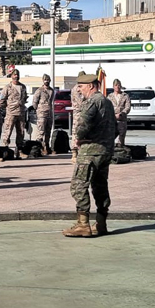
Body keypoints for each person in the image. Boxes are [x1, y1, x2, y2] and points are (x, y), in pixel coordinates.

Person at [63, 72, 117, 238]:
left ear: (91, 86)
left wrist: (79, 138)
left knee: (78, 185)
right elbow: (115, 128)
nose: (79, 90)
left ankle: (83, 224)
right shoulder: (107, 102)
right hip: (105, 150)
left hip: (90, 151)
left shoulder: (92, 102)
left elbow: (82, 125)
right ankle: (101, 223)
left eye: (81, 86)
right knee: (100, 186)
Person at [0, 69, 28, 151]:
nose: (16, 76)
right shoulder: (7, 87)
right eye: (14, 75)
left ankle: (19, 149)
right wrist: (8, 108)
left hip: (21, 113)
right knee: (8, 131)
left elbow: (24, 98)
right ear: (11, 76)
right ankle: (5, 148)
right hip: (11, 113)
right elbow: (1, 101)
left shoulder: (23, 87)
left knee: (21, 132)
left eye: (17, 75)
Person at [31, 74, 55, 154]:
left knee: (48, 130)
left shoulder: (51, 90)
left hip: (49, 113)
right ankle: (38, 148)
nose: (46, 81)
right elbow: (34, 102)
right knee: (41, 131)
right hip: (41, 113)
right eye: (45, 80)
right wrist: (38, 110)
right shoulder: (39, 90)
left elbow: (51, 101)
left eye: (48, 80)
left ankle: (47, 147)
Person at [107, 78, 131, 148]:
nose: (117, 87)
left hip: (121, 119)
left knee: (121, 136)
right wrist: (113, 115)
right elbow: (107, 107)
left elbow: (128, 107)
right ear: (113, 87)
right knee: (111, 136)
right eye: (116, 85)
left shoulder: (125, 96)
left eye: (119, 85)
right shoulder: (110, 96)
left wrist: (121, 114)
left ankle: (120, 151)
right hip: (112, 118)